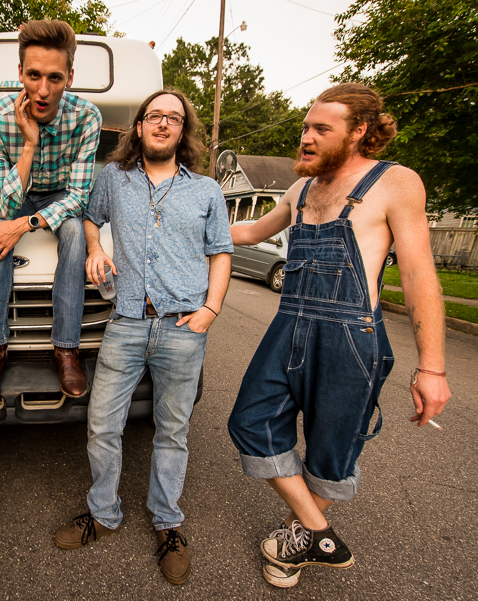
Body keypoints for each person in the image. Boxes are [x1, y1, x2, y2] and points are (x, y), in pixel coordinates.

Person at [227, 83, 452, 588]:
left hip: (352, 337)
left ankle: (294, 540)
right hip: (289, 327)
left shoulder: (395, 183)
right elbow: (249, 233)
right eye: (305, 127)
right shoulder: (300, 189)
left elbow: (419, 274)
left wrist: (431, 367)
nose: (305, 137)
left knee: (330, 453)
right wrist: (180, 230)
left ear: (360, 132)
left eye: (319, 130)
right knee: (249, 421)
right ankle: (318, 531)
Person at [54, 89, 233, 585]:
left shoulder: (206, 191)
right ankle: (104, 514)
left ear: (182, 130)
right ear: (139, 126)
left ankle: (167, 523)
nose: (162, 124)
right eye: (154, 116)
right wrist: (93, 248)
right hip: (127, 323)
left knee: (172, 432)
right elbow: (90, 218)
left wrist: (211, 310)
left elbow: (221, 252)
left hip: (183, 328)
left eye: (173, 118)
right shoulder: (114, 178)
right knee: (102, 426)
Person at [0, 19, 102, 403]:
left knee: (76, 231)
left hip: (61, 196)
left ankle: (66, 350)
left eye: (54, 78)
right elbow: (2, 203)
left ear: (70, 77)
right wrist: (28, 146)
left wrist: (26, 225)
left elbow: (78, 196)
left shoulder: (87, 118)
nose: (42, 90)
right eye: (33, 76)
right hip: (19, 193)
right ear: (20, 73)